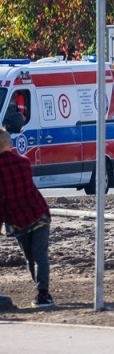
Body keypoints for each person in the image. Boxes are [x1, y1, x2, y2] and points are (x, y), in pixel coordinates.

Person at [0, 129, 51, 308]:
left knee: (30, 258)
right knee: (40, 256)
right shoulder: (24, 163)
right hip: (38, 214)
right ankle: (43, 293)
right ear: (10, 145)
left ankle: (41, 291)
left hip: (17, 221)